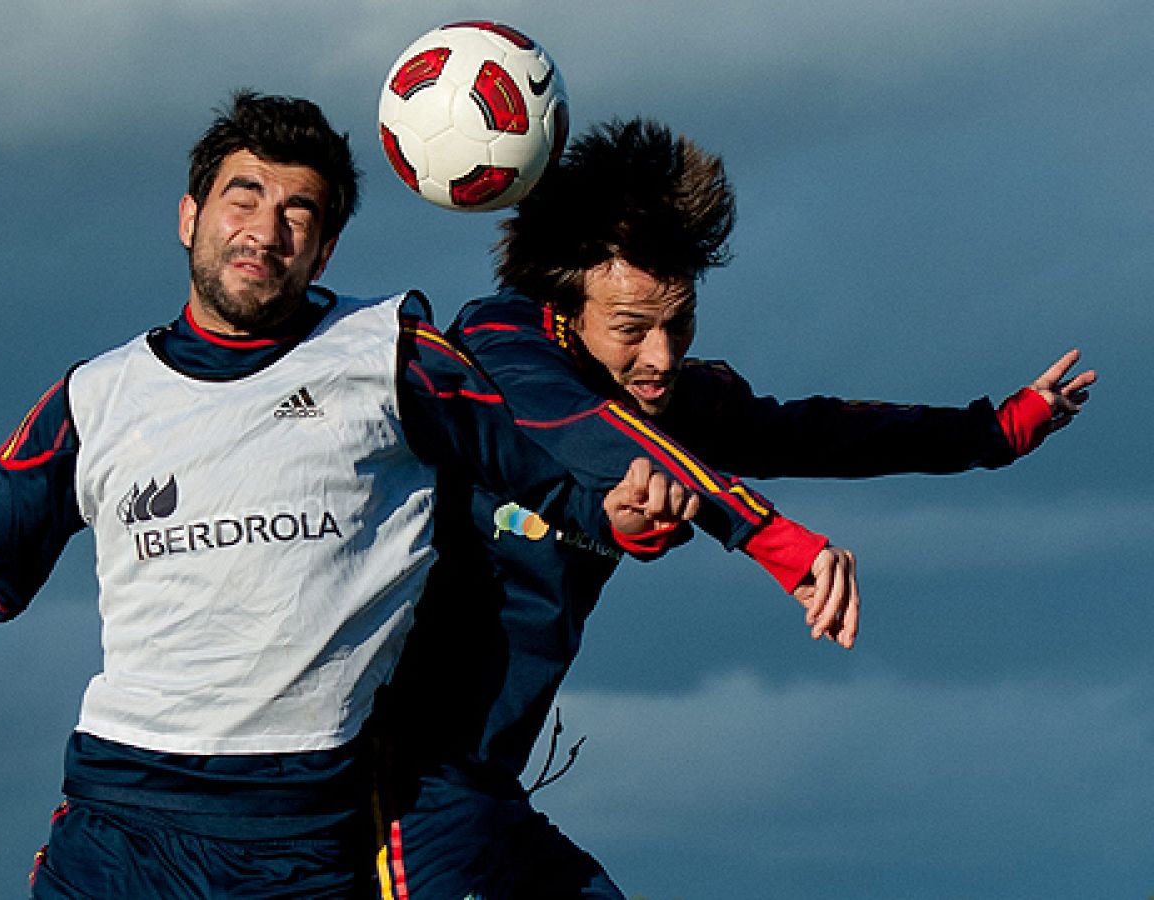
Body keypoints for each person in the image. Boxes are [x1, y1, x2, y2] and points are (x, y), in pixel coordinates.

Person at [0, 92, 848, 899]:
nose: (265, 229)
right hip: (119, 822)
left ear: (326, 242)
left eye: (300, 212)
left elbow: (539, 455)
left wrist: (622, 514)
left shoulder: (390, 355)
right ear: (189, 217)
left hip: (304, 834)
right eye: (244, 197)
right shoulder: (94, 398)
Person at [374, 117, 1095, 899]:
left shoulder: (662, 399)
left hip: (484, 788)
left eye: (677, 323)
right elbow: (593, 437)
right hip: (400, 785)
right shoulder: (499, 345)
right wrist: (776, 541)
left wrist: (991, 430)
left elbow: (812, 431)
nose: (661, 356)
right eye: (632, 329)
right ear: (569, 309)